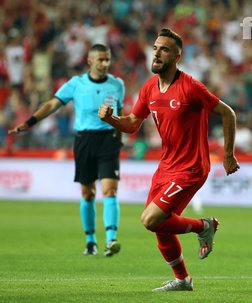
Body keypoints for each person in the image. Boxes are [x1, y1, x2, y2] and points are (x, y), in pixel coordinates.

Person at [98, 28, 240, 291]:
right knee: (161, 227)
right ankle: (182, 280)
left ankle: (204, 226)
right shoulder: (149, 88)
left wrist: (229, 154)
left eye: (164, 49)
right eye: (155, 48)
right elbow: (131, 124)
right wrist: (111, 119)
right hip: (166, 166)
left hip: (191, 167)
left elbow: (228, 113)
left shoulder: (191, 87)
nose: (156, 53)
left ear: (177, 56)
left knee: (150, 219)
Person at [9, 44, 125, 257]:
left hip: (109, 140)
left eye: (107, 59)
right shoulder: (76, 84)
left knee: (110, 189)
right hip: (84, 140)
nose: (105, 64)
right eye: (100, 59)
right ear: (90, 61)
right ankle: (91, 241)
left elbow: (121, 112)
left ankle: (111, 239)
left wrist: (121, 136)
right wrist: (30, 121)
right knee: (87, 192)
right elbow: (53, 104)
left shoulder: (117, 84)